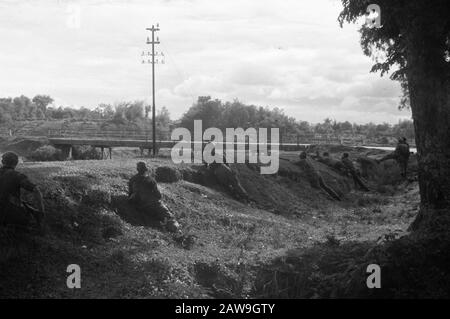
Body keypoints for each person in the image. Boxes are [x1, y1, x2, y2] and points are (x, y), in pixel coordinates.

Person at [128, 162, 180, 233]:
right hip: (154, 204)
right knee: (169, 218)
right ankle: (176, 231)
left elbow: (130, 194)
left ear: (137, 169)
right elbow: (159, 195)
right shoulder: (150, 179)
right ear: (146, 169)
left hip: (140, 206)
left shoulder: (132, 179)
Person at [0, 151, 45, 228]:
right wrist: (41, 211)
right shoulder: (18, 176)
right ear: (16, 163)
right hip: (9, 214)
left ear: (2, 161)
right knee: (30, 220)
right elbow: (36, 190)